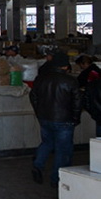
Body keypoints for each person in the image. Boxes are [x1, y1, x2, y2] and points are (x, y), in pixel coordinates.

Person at [29, 51, 82, 186]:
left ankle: (38, 165)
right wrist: (75, 118)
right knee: (62, 150)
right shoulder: (71, 81)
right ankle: (57, 179)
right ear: (65, 66)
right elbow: (77, 103)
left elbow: (33, 96)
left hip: (45, 118)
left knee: (46, 143)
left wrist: (39, 112)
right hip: (64, 120)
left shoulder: (41, 79)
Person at [75, 55, 101, 137]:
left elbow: (78, 84)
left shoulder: (87, 73)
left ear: (83, 64)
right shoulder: (97, 70)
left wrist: (93, 112)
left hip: (97, 108)